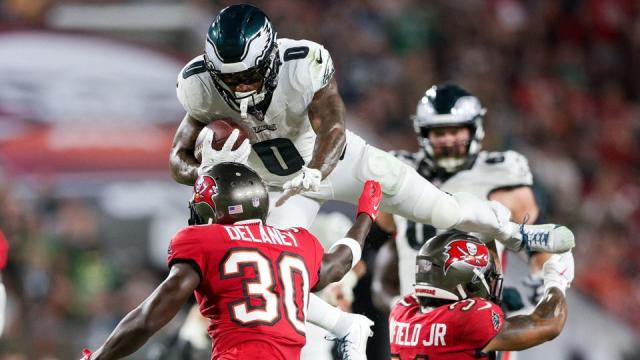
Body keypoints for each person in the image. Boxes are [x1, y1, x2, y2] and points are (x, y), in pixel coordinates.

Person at [168, 4, 574, 358]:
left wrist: (317, 172)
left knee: (445, 209)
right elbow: (178, 159)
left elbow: (334, 130)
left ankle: (516, 232)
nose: (242, 88)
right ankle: (345, 328)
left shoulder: (304, 63)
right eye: (231, 79)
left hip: (341, 162)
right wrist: (205, 170)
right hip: (281, 186)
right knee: (279, 279)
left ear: (271, 58)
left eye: (251, 76)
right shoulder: (199, 86)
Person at [80, 162, 383, 360]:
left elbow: (151, 316)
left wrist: (100, 356)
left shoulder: (202, 241)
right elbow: (338, 264)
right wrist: (366, 215)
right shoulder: (298, 241)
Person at [371, 83, 550, 314]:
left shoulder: (500, 177)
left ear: (474, 130)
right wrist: (391, 296)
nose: (447, 140)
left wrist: (545, 280)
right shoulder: (402, 173)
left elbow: (541, 244)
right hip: (416, 324)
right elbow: (384, 240)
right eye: (439, 132)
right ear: (424, 134)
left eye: (455, 131)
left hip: (477, 323)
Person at [388, 230, 573, 359]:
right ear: (467, 282)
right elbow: (549, 324)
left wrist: (485, 233)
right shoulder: (468, 319)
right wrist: (557, 279)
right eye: (486, 277)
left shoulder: (401, 312)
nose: (491, 282)